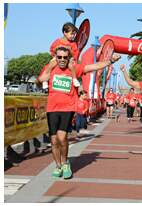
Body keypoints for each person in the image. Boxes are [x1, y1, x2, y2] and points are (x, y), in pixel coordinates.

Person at [38, 46, 121, 179]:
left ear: (69, 58)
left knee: (62, 137)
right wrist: (49, 66)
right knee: (54, 141)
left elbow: (93, 67)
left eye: (65, 57)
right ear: (55, 57)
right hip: (52, 108)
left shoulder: (74, 69)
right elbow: (41, 79)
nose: (62, 60)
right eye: (59, 57)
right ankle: (58, 166)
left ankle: (65, 163)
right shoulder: (51, 67)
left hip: (67, 108)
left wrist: (110, 61)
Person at [42, 22, 80, 89]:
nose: (73, 36)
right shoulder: (57, 41)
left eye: (74, 34)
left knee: (71, 64)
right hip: (58, 59)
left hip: (68, 60)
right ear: (65, 32)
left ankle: (74, 79)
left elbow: (75, 54)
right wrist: (55, 54)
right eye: (71, 34)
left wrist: (70, 52)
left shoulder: (73, 44)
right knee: (50, 63)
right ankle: (45, 80)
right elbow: (52, 50)